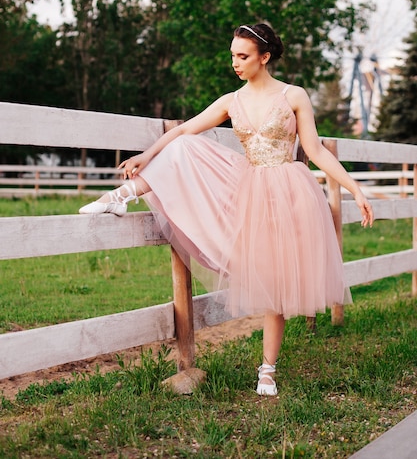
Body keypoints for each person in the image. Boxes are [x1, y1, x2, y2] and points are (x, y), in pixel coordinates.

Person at [79, 23, 374, 397]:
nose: (235, 62)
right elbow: (183, 132)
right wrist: (146, 155)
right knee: (184, 148)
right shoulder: (230, 101)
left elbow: (315, 151)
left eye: (243, 56)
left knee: (277, 283)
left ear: (264, 57)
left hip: (288, 191)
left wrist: (355, 189)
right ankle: (121, 195)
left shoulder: (293, 95)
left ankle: (267, 370)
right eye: (233, 54)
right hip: (247, 186)